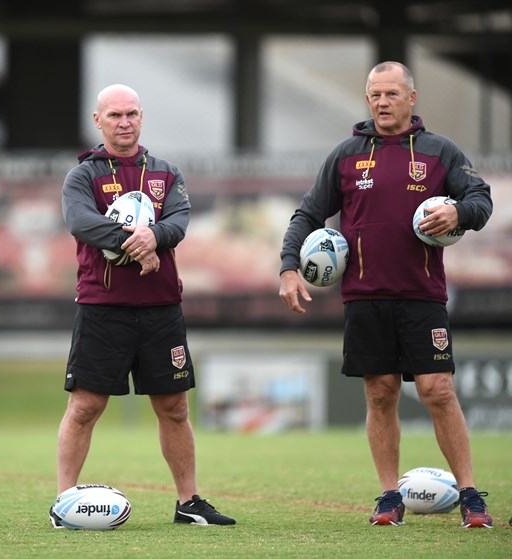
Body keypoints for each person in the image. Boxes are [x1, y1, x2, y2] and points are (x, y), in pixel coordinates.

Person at [278, 61, 493, 528]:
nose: (382, 102)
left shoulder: (440, 152)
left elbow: (481, 200)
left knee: (438, 389)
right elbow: (307, 214)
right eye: (374, 94)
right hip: (364, 297)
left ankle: (472, 495)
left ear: (411, 98)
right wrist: (289, 266)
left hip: (422, 295)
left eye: (391, 94)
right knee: (380, 393)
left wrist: (459, 212)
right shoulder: (346, 155)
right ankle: (388, 496)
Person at [51, 84, 235, 528]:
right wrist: (139, 245)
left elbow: (179, 220)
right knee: (85, 406)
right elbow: (80, 222)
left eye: (132, 113)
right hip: (103, 307)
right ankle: (64, 504)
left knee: (174, 407)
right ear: (98, 121)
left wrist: (156, 237)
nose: (124, 122)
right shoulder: (83, 176)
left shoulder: (166, 172)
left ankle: (189, 503)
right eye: (114, 115)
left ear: (141, 117)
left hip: (160, 309)